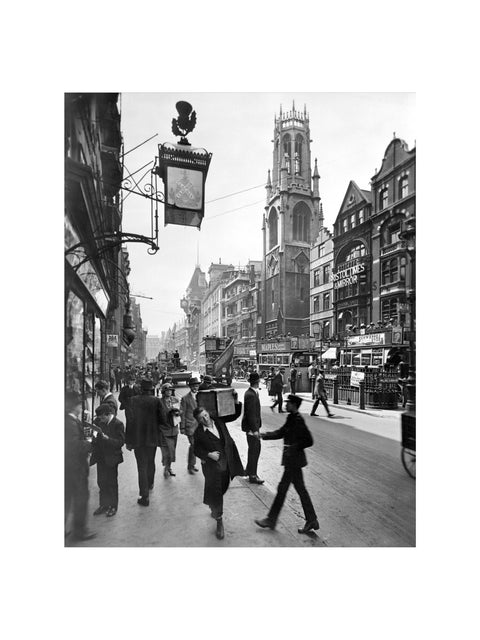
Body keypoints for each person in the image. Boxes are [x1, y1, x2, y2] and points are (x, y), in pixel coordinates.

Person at [255, 394, 319, 534]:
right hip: (292, 461)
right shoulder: (291, 418)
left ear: (294, 405)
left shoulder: (298, 420)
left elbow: (309, 440)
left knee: (284, 489)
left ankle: (272, 519)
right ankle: (311, 519)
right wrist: (263, 435)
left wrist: (294, 447)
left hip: (294, 461)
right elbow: (281, 433)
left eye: (288, 402)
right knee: (297, 490)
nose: (285, 404)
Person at [193, 397, 244, 540]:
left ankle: (213, 503)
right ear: (198, 421)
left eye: (205, 415)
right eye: (201, 418)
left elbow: (234, 415)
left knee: (224, 487)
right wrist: (208, 454)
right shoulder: (198, 433)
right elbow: (196, 450)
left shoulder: (219, 420)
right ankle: (219, 521)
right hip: (212, 467)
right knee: (216, 492)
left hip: (226, 461)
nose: (205, 419)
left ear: (208, 413)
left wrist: (236, 401)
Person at [126, 378, 166, 506]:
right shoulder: (156, 401)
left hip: (138, 439)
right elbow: (163, 420)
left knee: (141, 466)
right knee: (151, 461)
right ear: (151, 389)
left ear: (141, 389)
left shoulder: (132, 401)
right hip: (153, 438)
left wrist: (128, 441)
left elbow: (130, 422)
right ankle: (150, 483)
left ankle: (144, 496)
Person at [65, 391, 96, 541]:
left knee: (67, 498)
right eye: (79, 405)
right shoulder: (70, 423)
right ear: (74, 406)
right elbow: (74, 446)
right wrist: (89, 442)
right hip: (75, 468)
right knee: (80, 498)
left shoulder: (68, 420)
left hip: (68, 467)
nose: (81, 407)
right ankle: (79, 531)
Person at [90, 403, 125, 517]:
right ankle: (104, 504)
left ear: (109, 414)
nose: (100, 420)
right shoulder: (99, 422)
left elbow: (120, 442)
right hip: (100, 457)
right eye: (99, 418)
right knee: (101, 481)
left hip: (112, 458)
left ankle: (113, 506)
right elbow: (94, 434)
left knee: (112, 483)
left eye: (102, 418)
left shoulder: (118, 424)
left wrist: (108, 439)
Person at [241, 372, 264, 484]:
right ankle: (253, 476)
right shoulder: (251, 395)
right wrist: (255, 430)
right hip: (252, 429)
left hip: (253, 427)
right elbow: (251, 414)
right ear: (257, 382)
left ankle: (248, 471)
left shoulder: (252, 393)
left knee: (254, 450)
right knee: (255, 451)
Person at [158, 383, 180, 477]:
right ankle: (166, 468)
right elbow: (157, 416)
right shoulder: (159, 402)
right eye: (167, 390)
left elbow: (180, 411)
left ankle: (168, 467)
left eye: (171, 390)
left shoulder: (175, 400)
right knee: (166, 451)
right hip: (164, 430)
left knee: (172, 451)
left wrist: (177, 412)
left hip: (174, 429)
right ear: (163, 392)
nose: (169, 392)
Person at [180, 377, 201, 474]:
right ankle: (190, 466)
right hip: (190, 426)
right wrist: (182, 427)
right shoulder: (185, 398)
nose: (195, 388)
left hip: (200, 425)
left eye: (197, 386)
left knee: (198, 445)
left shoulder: (201, 397)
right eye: (193, 386)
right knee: (193, 445)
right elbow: (182, 413)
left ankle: (193, 464)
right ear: (190, 387)